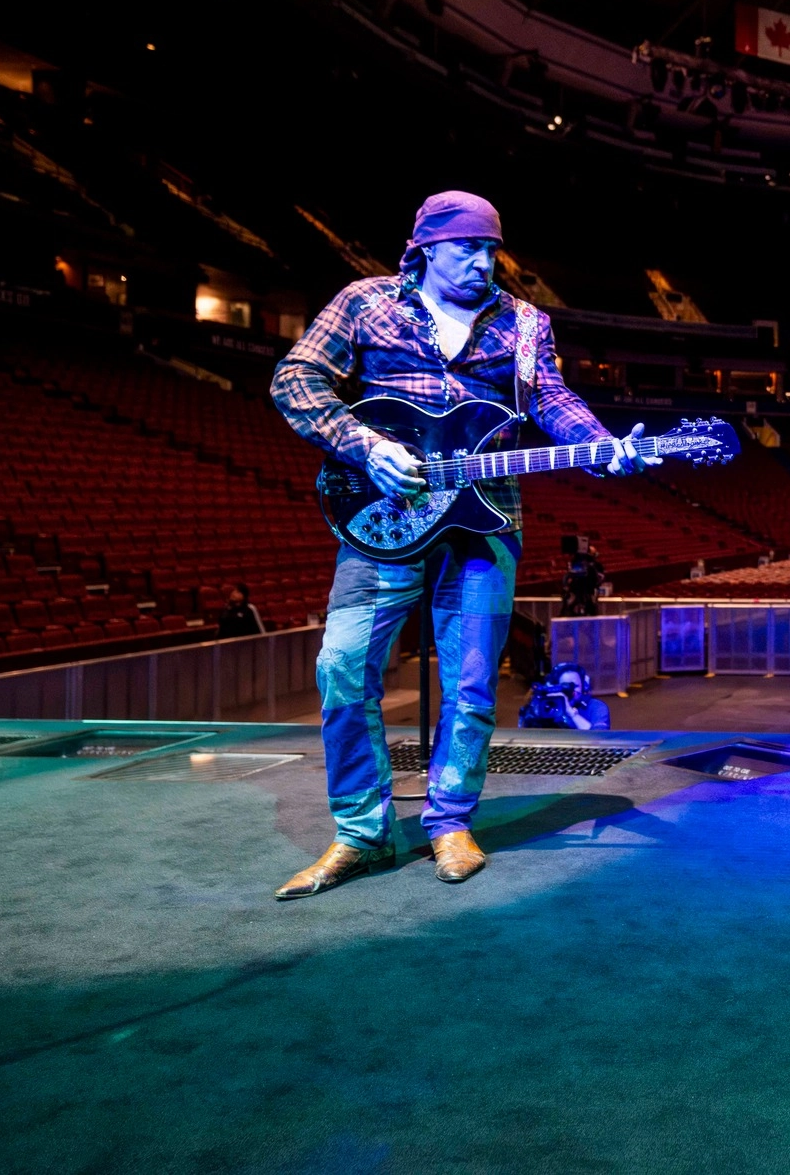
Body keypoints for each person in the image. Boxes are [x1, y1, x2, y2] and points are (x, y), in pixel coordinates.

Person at [268, 190, 652, 900]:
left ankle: (450, 821)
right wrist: (364, 445)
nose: (483, 263)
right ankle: (361, 831)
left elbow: (551, 400)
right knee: (343, 667)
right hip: (384, 515)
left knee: (472, 685)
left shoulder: (525, 322)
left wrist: (603, 447)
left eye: (489, 250)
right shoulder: (366, 301)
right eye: (467, 248)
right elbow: (295, 377)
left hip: (486, 520)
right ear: (424, 248)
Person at [518, 660, 612, 731]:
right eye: (564, 686)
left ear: (584, 687)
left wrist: (571, 713)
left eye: (575, 686)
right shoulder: (547, 706)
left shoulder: (596, 707)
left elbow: (599, 738)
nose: (571, 691)